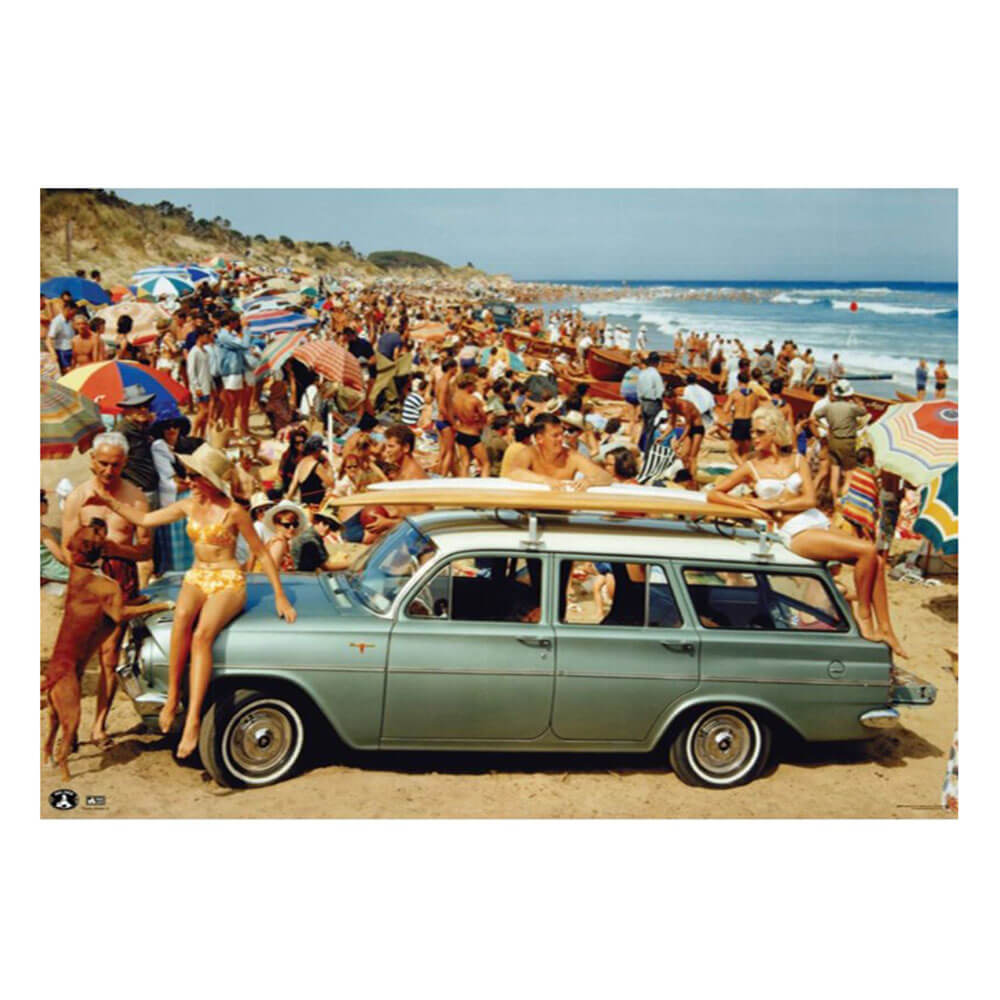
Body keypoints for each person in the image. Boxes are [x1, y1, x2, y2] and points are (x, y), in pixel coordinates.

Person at [93, 444, 297, 758]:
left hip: (227, 578)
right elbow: (145, 519)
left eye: (194, 476)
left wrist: (280, 596)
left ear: (210, 480)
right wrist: (109, 501)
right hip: (197, 575)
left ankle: (193, 719)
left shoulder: (234, 512)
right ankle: (173, 697)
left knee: (202, 636)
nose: (188, 481)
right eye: (187, 475)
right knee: (181, 618)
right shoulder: (187, 505)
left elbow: (261, 553)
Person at [707, 406, 905, 657]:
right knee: (866, 550)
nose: (754, 437)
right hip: (794, 530)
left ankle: (886, 629)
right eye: (753, 432)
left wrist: (773, 504)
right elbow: (715, 493)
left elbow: (810, 499)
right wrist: (748, 504)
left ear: (774, 432)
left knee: (876, 558)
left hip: (815, 519)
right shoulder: (751, 467)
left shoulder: (798, 460)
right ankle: (865, 618)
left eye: (760, 432)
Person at [61, 432, 152, 748]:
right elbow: (67, 547)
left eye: (115, 464)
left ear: (124, 463)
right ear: (92, 460)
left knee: (109, 656)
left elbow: (145, 550)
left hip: (120, 577)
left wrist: (116, 549)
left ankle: (99, 726)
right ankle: (69, 727)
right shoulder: (78, 497)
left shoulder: (136, 498)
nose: (108, 470)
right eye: (103, 463)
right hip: (87, 581)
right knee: (75, 658)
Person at [507, 412, 614, 489]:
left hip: (561, 509)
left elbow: (606, 477)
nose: (561, 439)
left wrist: (590, 481)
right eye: (555, 435)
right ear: (540, 438)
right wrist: (545, 480)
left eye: (561, 434)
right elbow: (514, 472)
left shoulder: (571, 456)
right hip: (531, 507)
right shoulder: (529, 453)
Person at [812, 379, 868, 502]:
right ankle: (842, 500)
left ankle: (833, 500)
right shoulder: (851, 408)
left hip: (833, 440)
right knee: (849, 474)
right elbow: (864, 412)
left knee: (835, 472)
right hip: (847, 441)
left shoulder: (829, 407)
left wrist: (825, 427)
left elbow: (814, 417)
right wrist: (858, 401)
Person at [451, 372, 490, 477]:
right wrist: (480, 423)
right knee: (485, 464)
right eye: (474, 385)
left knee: (465, 464)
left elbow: (453, 415)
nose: (475, 388)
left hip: (461, 432)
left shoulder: (454, 399)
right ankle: (485, 485)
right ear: (469, 385)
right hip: (473, 434)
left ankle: (462, 485)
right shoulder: (474, 400)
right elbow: (484, 417)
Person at [285, 435, 336, 506]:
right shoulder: (316, 465)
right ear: (318, 450)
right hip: (317, 503)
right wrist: (328, 465)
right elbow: (331, 484)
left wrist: (286, 501)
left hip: (304, 502)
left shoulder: (301, 463)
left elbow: (293, 486)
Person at [723, 370, 759, 459]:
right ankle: (742, 465)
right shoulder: (754, 395)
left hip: (738, 421)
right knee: (745, 452)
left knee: (733, 451)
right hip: (749, 421)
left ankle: (740, 466)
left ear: (738, 381)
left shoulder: (735, 393)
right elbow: (756, 409)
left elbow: (725, 410)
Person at [186, 325, 213, 438]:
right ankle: (193, 433)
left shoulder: (205, 351)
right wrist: (196, 387)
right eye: (207, 336)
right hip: (199, 387)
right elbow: (191, 371)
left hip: (206, 385)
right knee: (203, 411)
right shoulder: (194, 352)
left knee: (206, 413)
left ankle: (202, 435)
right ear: (200, 336)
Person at [40, 489, 70, 586]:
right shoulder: (42, 530)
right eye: (44, 501)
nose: (47, 504)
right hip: (52, 570)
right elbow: (60, 557)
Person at [636, 352, 665, 450]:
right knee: (652, 428)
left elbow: (638, 390)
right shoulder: (655, 374)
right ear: (658, 362)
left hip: (644, 402)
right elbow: (660, 391)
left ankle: (641, 447)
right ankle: (648, 449)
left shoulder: (642, 373)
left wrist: (641, 402)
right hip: (653, 403)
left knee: (645, 426)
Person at [48, 300, 76, 373]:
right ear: (67, 310)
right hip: (62, 351)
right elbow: (49, 339)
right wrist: (53, 353)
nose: (73, 315)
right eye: (72, 313)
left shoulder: (71, 320)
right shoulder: (57, 321)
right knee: (68, 372)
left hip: (71, 349)